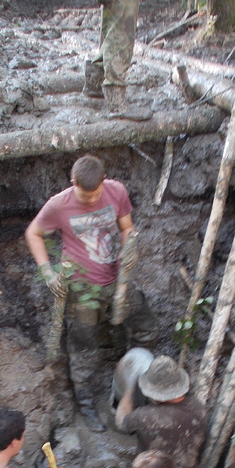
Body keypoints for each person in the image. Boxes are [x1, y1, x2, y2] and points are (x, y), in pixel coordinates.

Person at [25, 155, 157, 422]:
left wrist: (130, 246)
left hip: (117, 281)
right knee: (84, 348)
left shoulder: (116, 190)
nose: (92, 200)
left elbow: (127, 227)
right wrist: (47, 272)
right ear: (73, 182)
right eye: (85, 196)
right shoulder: (59, 205)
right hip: (81, 288)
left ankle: (135, 379)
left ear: (104, 180)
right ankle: (86, 407)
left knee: (147, 326)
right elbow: (33, 233)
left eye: (96, 194)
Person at [115, 354, 208, 468]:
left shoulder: (145, 417)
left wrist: (128, 390)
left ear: (155, 393)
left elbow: (121, 423)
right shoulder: (199, 407)